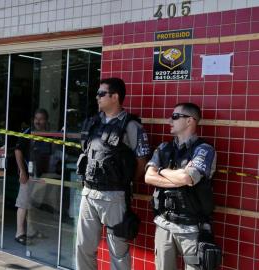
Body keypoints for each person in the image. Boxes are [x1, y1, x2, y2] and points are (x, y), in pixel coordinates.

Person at [75, 77, 150, 270]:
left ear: (115, 97)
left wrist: (127, 182)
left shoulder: (132, 126)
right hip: (88, 193)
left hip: (115, 195)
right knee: (83, 246)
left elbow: (142, 162)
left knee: (118, 251)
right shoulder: (93, 123)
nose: (97, 97)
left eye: (101, 94)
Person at [144, 103, 217, 270]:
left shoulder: (204, 149)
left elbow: (187, 177)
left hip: (192, 227)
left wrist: (161, 170)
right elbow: (148, 177)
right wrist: (178, 179)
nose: (170, 120)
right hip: (164, 223)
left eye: (175, 116)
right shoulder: (164, 148)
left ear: (190, 121)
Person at [14, 108, 50, 245]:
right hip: (27, 175)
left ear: (46, 120)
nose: (38, 121)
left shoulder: (48, 133)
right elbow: (18, 151)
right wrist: (22, 172)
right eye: (36, 118)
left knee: (32, 204)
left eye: (41, 119)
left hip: (40, 176)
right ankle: (19, 233)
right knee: (23, 203)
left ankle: (31, 230)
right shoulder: (28, 132)